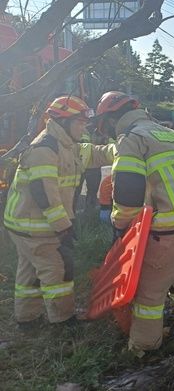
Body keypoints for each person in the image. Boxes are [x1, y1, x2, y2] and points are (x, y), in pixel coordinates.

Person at [94, 91, 174, 354]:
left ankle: (144, 347)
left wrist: (120, 226)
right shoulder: (170, 134)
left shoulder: (131, 139)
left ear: (109, 119)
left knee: (150, 291)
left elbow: (127, 191)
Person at [3, 96, 114, 328]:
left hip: (23, 225)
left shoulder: (67, 145)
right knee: (58, 270)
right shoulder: (45, 148)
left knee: (30, 271)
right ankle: (63, 320)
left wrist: (124, 147)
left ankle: (27, 318)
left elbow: (96, 153)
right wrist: (63, 227)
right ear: (63, 122)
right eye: (80, 122)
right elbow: (44, 194)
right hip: (37, 226)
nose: (84, 127)